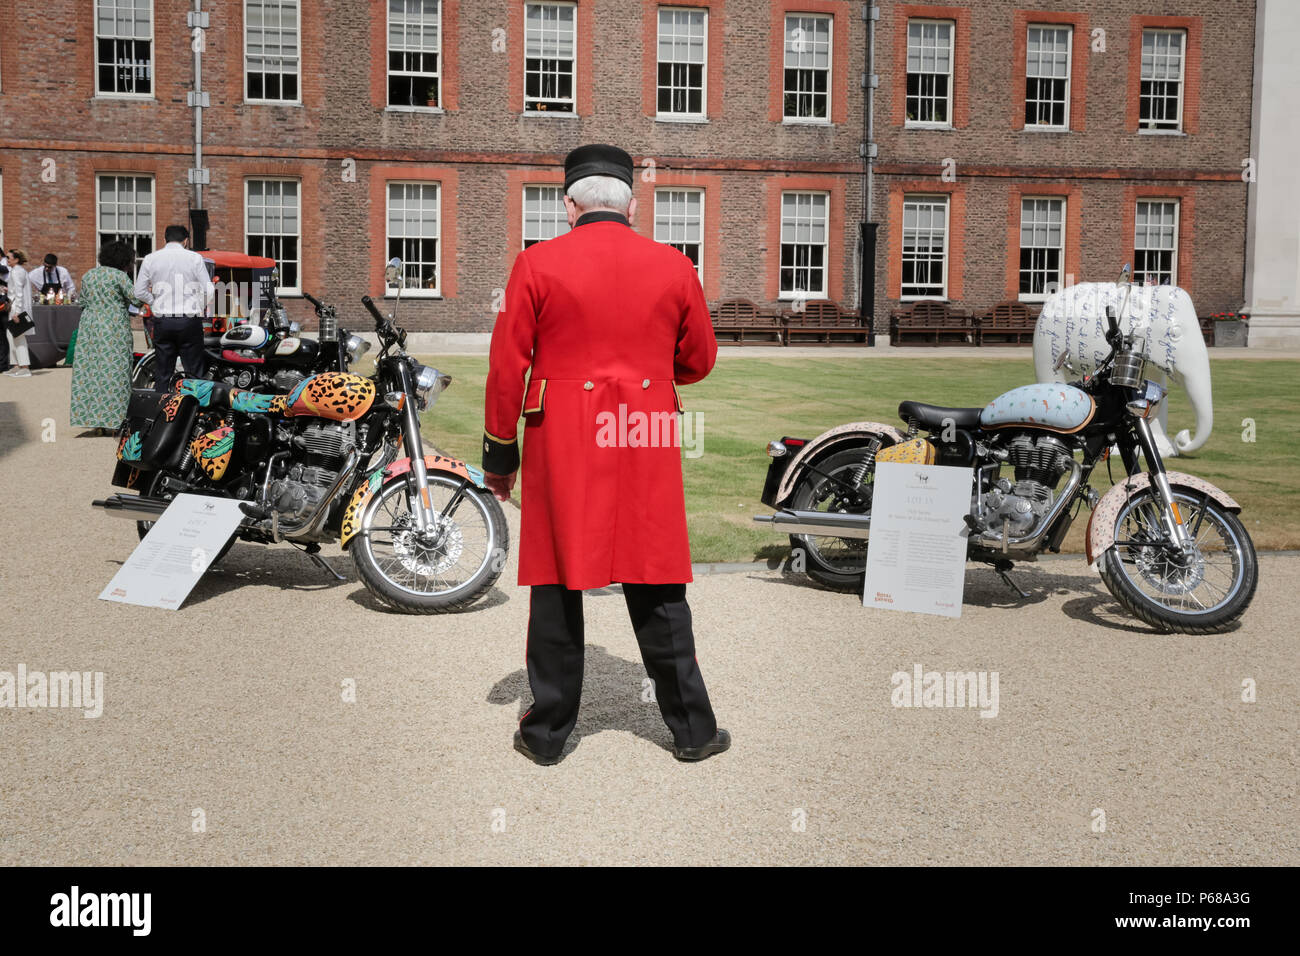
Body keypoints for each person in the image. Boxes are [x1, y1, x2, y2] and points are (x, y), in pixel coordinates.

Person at [483, 144, 729, 765]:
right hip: (643, 428)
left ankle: (546, 735)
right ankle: (693, 731)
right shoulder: (674, 264)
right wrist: (647, 369)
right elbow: (698, 360)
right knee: (657, 578)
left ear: (569, 205)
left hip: (563, 434)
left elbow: (506, 370)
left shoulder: (536, 264)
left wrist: (499, 457)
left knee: (558, 580)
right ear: (632, 203)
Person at [70, 241, 140, 434]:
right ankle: (115, 420)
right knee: (116, 372)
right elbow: (136, 299)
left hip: (90, 327)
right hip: (113, 327)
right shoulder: (119, 276)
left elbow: (82, 301)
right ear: (125, 260)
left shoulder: (89, 275)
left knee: (91, 372)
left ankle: (95, 420)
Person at [134, 225, 213, 391]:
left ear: (164, 240)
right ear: (186, 241)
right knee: (194, 374)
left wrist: (154, 302)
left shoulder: (150, 258)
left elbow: (139, 291)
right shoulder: (195, 258)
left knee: (163, 373)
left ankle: (162, 411)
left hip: (163, 320)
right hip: (189, 320)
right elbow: (209, 290)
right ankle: (193, 413)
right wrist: (199, 306)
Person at [4, 249, 34, 378]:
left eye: (9, 257)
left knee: (18, 337)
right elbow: (15, 290)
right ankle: (16, 365)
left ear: (16, 259)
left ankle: (25, 367)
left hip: (17, 308)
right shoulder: (16, 271)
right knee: (11, 336)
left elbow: (20, 294)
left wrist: (17, 312)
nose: (7, 259)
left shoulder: (17, 272)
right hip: (14, 306)